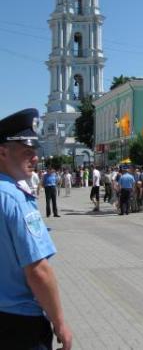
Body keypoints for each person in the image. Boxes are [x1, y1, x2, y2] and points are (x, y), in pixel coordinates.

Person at [0, 108, 73, 349]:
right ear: (2, 152)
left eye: (36, 151)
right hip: (20, 324)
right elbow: (38, 271)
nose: (35, 158)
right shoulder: (16, 200)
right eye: (27, 151)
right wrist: (60, 321)